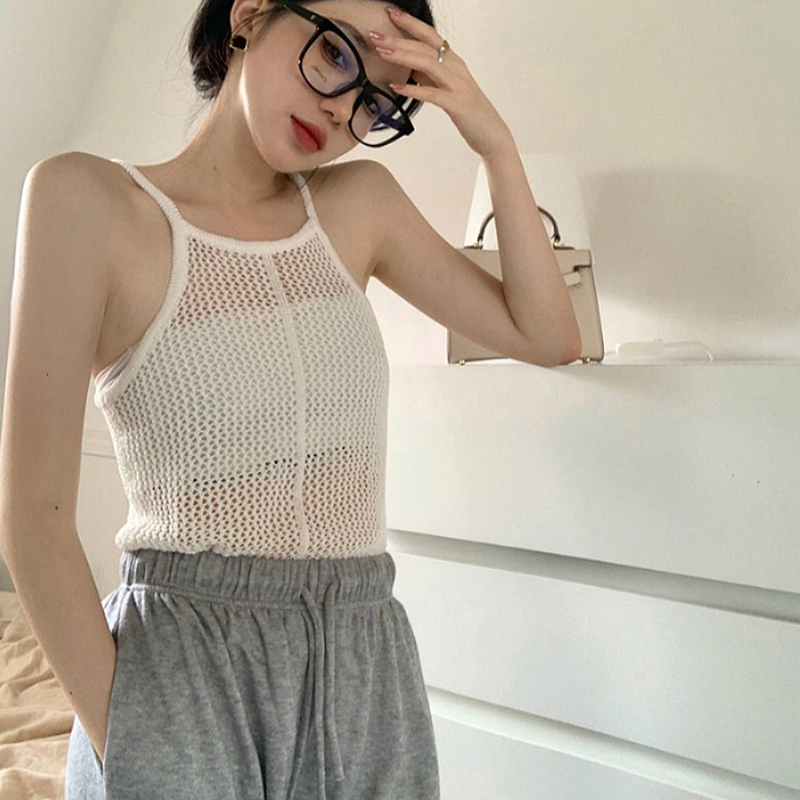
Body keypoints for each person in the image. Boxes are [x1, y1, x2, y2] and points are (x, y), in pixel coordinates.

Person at [0, 0, 581, 798]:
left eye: (376, 100)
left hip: (363, 658)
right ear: (249, 14)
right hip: (183, 659)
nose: (342, 110)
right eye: (335, 54)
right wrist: (134, 735)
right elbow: (32, 516)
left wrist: (495, 142)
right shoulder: (87, 200)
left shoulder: (360, 205)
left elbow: (548, 334)